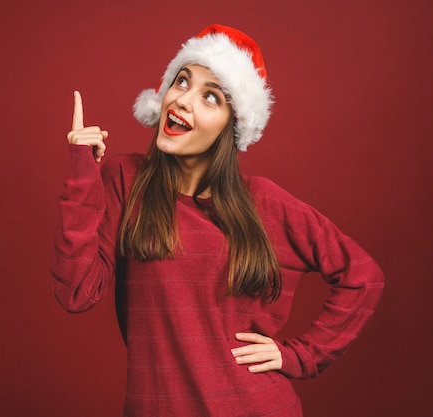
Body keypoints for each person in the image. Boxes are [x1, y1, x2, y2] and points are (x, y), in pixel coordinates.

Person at [50, 24, 384, 417]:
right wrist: (83, 175)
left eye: (210, 97)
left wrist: (301, 354)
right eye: (181, 81)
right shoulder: (126, 181)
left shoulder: (264, 203)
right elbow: (76, 292)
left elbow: (363, 276)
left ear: (232, 125)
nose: (184, 101)